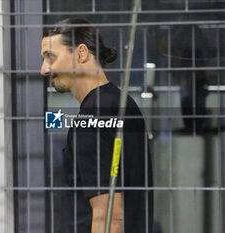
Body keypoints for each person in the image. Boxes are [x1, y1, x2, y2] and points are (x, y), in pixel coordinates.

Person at [40, 18, 153, 233]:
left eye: (50, 57)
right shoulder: (121, 104)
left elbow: (109, 216)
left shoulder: (92, 117)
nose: (44, 69)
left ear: (81, 54)